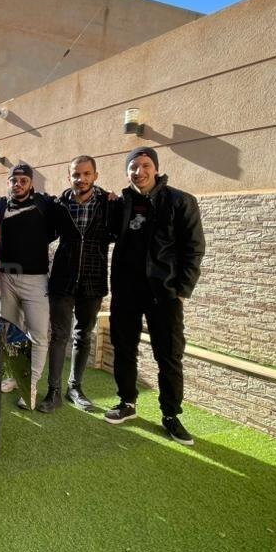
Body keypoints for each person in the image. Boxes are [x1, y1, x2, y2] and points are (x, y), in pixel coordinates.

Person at [105, 146, 206, 445]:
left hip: (164, 293)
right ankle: (127, 402)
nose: (140, 171)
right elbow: (109, 234)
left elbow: (194, 248)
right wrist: (108, 204)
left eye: (145, 165)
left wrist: (183, 290)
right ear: (127, 172)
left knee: (169, 356)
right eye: (133, 167)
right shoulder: (121, 204)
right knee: (124, 349)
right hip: (126, 291)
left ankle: (171, 415)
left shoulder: (180, 201)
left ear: (156, 169)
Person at [41, 155, 112, 413]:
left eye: (86, 174)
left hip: (93, 281)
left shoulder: (109, 205)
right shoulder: (59, 206)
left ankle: (75, 388)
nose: (81, 179)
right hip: (63, 280)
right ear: (69, 177)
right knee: (59, 335)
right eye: (76, 174)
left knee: (83, 334)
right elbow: (44, 234)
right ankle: (53, 392)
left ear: (95, 176)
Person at [0, 162, 57, 410]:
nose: (18, 184)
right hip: (6, 278)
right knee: (10, 332)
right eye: (14, 180)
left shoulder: (45, 204)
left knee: (38, 335)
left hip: (36, 279)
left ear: (31, 183)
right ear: (8, 182)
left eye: (23, 181)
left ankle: (31, 385)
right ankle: (13, 376)